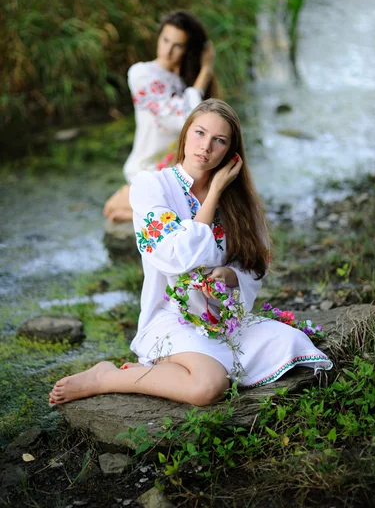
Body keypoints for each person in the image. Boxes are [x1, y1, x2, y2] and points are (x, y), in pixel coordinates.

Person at [49, 99, 332, 407]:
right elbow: (177, 256)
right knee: (208, 386)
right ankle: (107, 376)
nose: (205, 146)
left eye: (219, 140)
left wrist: (229, 276)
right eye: (199, 133)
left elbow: (253, 265)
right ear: (185, 134)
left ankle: (174, 368)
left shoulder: (240, 201)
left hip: (222, 321)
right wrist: (213, 195)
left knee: (292, 343)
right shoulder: (151, 186)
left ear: (230, 152)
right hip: (171, 318)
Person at [103, 10, 218, 222]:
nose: (168, 50)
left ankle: (140, 210)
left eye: (178, 45)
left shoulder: (184, 82)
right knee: (112, 209)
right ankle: (139, 205)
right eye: (165, 40)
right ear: (158, 38)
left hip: (178, 171)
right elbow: (183, 120)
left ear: (187, 50)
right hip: (148, 167)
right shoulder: (142, 74)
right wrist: (205, 73)